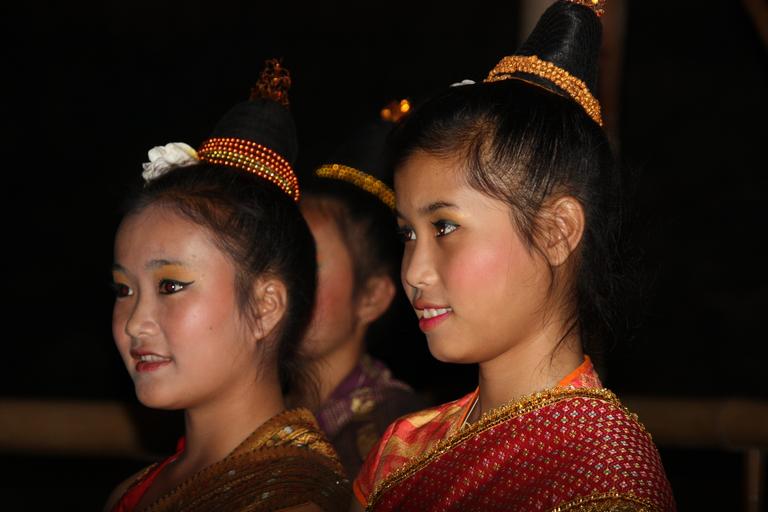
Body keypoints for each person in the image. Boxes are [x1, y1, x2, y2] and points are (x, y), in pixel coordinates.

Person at [352, 1, 676, 511]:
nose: (414, 271)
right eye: (408, 234)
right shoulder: (400, 451)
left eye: (445, 227)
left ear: (556, 231)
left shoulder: (605, 478)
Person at [105, 59, 351, 512]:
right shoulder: (133, 492)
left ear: (265, 306)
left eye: (170, 286)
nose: (135, 323)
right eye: (124, 290)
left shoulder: (292, 501)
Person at [293, 99, 426, 478]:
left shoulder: (394, 439)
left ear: (372, 297)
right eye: (281, 258)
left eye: (308, 267)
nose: (281, 282)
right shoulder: (264, 411)